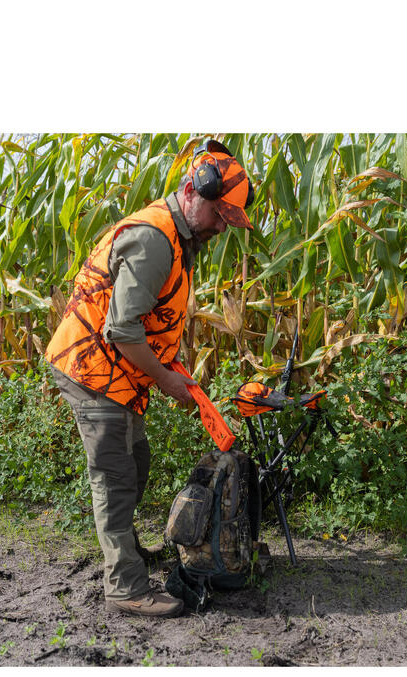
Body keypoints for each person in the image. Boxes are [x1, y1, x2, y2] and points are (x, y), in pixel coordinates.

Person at [45, 139, 254, 618]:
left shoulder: (181, 236)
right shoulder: (156, 240)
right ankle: (125, 585)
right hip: (94, 370)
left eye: (228, 219)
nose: (222, 226)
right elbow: (121, 330)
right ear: (190, 192)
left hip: (121, 372)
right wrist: (166, 380)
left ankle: (125, 551)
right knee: (117, 478)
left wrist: (166, 367)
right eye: (218, 213)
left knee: (137, 462)